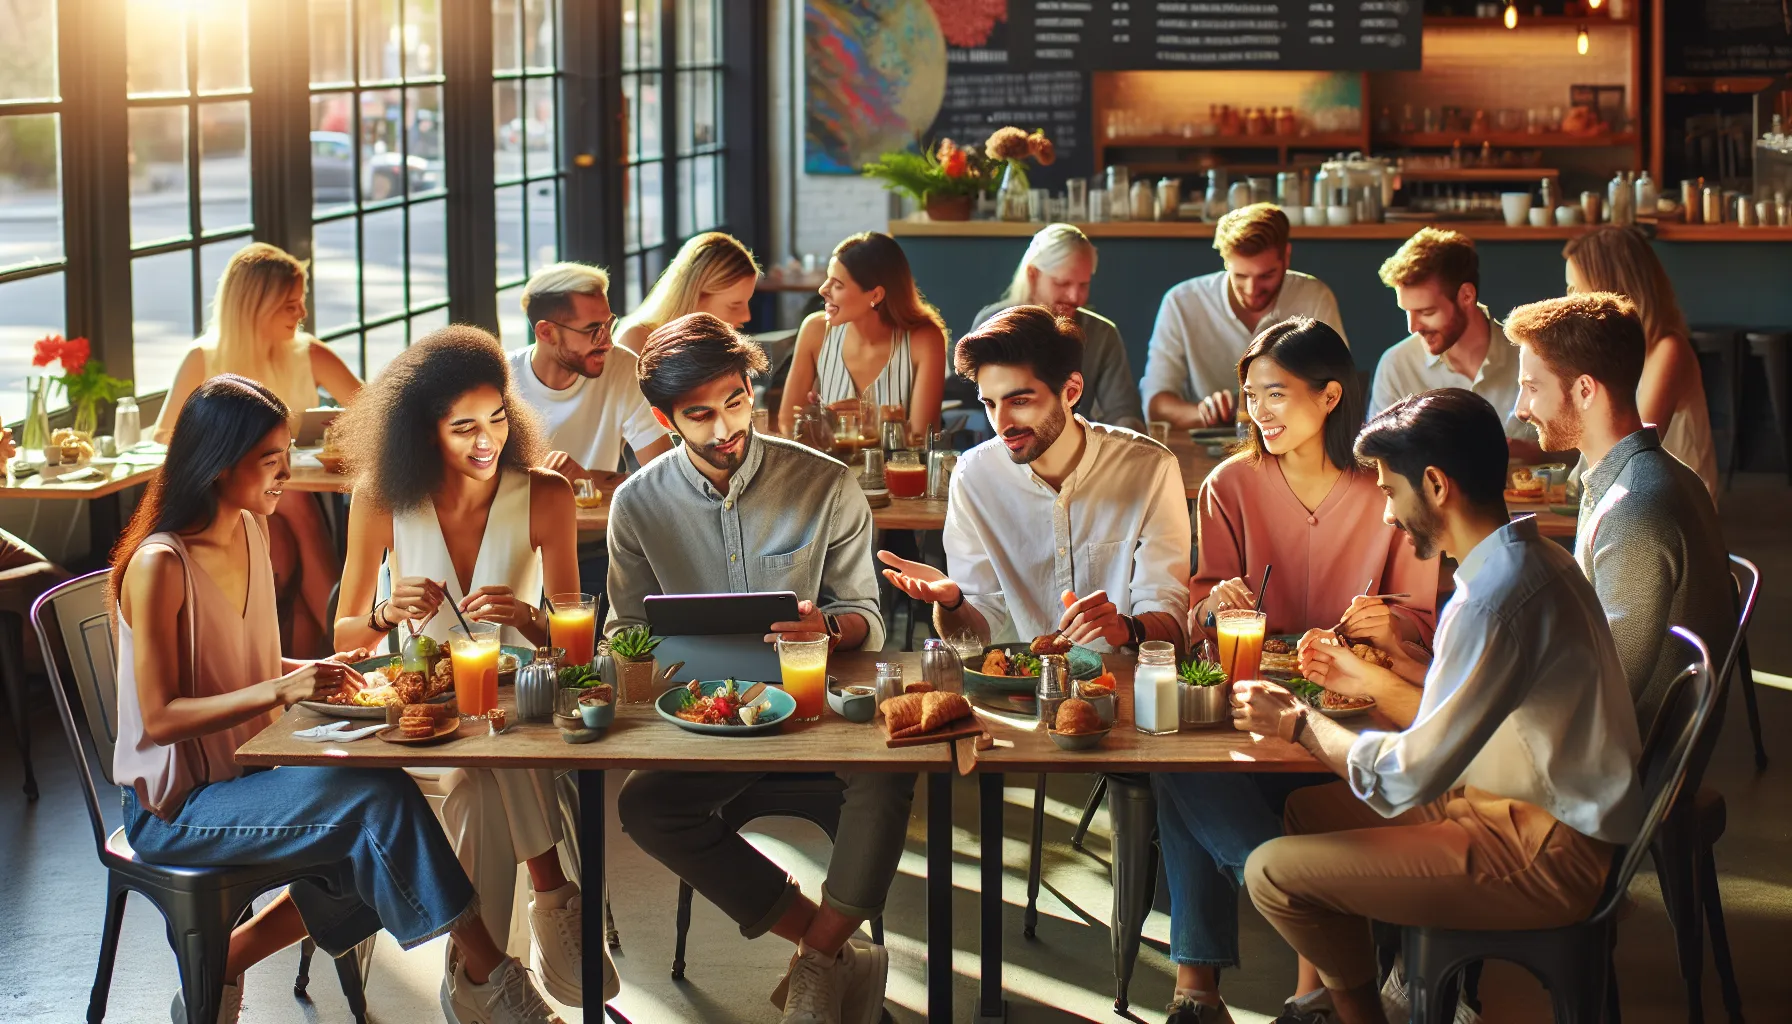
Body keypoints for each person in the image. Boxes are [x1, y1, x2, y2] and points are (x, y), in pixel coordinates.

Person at [115, 374, 562, 1024]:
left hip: (248, 776)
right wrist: (284, 686)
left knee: (384, 823)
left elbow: (242, 667)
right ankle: (495, 982)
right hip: (176, 809)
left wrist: (316, 670)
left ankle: (226, 959)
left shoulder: (250, 532)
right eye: (270, 460)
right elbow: (160, 717)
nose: (286, 474)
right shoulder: (161, 563)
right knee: (379, 808)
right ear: (219, 465)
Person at [1240, 389, 1643, 1024]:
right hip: (1515, 803)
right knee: (1305, 811)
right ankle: (1363, 994)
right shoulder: (1533, 559)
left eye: (1389, 491)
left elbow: (1405, 777)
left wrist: (1297, 720)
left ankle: (1362, 1016)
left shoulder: (1490, 601)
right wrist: (1377, 676)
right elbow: (1467, 712)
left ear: (1435, 485)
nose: (1386, 514)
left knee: (1268, 871)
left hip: (1543, 852)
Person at [608, 313, 905, 1024]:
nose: (725, 427)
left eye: (736, 402)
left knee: (892, 767)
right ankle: (827, 948)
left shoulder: (827, 483)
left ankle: (817, 960)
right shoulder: (636, 504)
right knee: (644, 806)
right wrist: (632, 663)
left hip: (816, 708)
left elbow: (866, 614)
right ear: (664, 418)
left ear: (750, 389)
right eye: (700, 415)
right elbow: (626, 631)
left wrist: (827, 625)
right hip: (706, 717)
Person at [1143, 318, 1438, 1024]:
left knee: (1181, 782)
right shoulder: (1228, 484)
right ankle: (1304, 929)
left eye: (1275, 394)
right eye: (1250, 396)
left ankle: (1201, 993)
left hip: (1353, 715)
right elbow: (1200, 616)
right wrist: (1211, 604)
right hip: (1251, 704)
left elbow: (1423, 623)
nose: (1258, 412)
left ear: (1330, 396)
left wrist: (1391, 623)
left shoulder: (1388, 487)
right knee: (1176, 757)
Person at [333, 327, 596, 1009]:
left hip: (520, 715)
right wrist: (387, 614)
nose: (488, 441)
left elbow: (574, 650)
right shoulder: (381, 499)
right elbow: (345, 635)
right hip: (418, 725)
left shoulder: (546, 494)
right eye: (464, 428)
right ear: (424, 432)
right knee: (486, 772)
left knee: (487, 773)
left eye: (498, 419)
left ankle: (480, 982)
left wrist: (528, 618)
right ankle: (553, 897)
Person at [879, 304, 1188, 651]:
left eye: (1020, 401)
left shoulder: (1151, 469)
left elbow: (1173, 625)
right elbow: (975, 638)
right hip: (1016, 679)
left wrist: (1125, 628)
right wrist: (952, 603)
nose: (1002, 423)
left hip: (1123, 677)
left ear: (1071, 392)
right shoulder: (973, 475)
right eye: (990, 404)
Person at [1507, 292, 1734, 739]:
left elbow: (1602, 692)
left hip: (1626, 757)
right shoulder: (1657, 473)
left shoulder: (1634, 510)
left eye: (1532, 387)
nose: (1521, 408)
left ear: (1585, 391)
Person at [151, 242, 361, 658]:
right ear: (255, 308)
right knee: (287, 527)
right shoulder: (202, 359)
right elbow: (167, 438)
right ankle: (343, 647)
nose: (302, 314)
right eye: (290, 306)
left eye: (301, 302)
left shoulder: (309, 353)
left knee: (287, 535)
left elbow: (373, 413)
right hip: (231, 499)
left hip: (286, 498)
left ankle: (325, 660)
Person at [509, 261, 675, 596]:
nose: (607, 342)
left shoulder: (622, 368)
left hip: (598, 551)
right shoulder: (504, 379)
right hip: (520, 551)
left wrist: (588, 479)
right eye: (592, 330)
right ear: (546, 332)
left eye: (609, 325)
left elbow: (667, 478)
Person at [1140, 204, 1346, 430]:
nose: (1252, 289)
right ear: (1225, 262)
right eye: (1240, 275)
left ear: (1286, 257)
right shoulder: (1182, 302)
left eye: (1266, 275)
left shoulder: (1314, 298)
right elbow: (1156, 404)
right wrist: (1205, 413)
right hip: (1208, 444)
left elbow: (1340, 391)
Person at [1562, 226, 1720, 498]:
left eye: (1576, 288)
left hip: (1676, 510)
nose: (1569, 300)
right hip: (1634, 498)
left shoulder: (1668, 350)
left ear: (1609, 289)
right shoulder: (1612, 352)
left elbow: (1630, 452)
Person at [1367, 228, 1547, 461]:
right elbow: (1377, 461)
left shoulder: (1531, 356)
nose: (1413, 327)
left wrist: (1520, 450)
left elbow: (1577, 453)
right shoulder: (1396, 365)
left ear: (1466, 296)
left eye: (1427, 312)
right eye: (1407, 312)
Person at [967, 223, 1145, 431]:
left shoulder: (1101, 334)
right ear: (1033, 275)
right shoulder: (991, 324)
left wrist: (1129, 435)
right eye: (1062, 283)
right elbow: (968, 406)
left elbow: (1123, 412)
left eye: (1084, 285)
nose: (1075, 297)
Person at [779, 231, 948, 442]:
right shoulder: (815, 331)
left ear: (875, 295)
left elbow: (922, 437)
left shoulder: (924, 340)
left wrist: (869, 422)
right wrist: (814, 423)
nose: (822, 289)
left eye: (838, 285)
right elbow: (788, 422)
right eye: (827, 279)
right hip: (827, 464)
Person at [615, 230, 763, 353]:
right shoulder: (637, 343)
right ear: (695, 296)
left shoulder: (715, 345)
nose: (746, 316)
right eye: (734, 305)